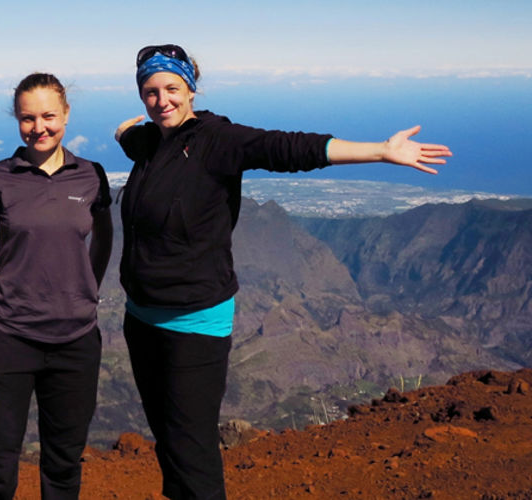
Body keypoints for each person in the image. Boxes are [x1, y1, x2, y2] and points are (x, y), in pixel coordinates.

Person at [114, 44, 452, 500]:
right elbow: (136, 139)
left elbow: (288, 147)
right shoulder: (151, 142)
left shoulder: (219, 140)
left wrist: (380, 151)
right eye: (150, 91)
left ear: (192, 89)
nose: (162, 100)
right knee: (170, 444)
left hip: (194, 323)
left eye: (172, 88)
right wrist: (124, 135)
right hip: (141, 321)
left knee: (193, 453)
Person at [0, 72, 113, 500]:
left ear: (67, 114)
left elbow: (103, 238)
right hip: (7, 339)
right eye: (28, 118)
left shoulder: (91, 176)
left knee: (64, 465)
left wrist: (88, 288)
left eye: (49, 116)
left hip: (77, 341)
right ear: (17, 120)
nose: (39, 127)